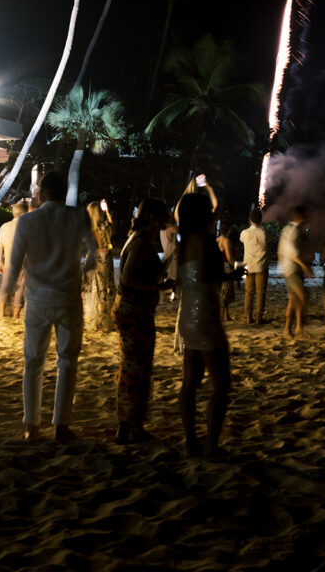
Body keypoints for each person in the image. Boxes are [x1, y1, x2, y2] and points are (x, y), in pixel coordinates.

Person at [3, 171, 96, 443]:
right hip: (68, 299)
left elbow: (15, 263)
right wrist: (81, 270)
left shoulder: (28, 221)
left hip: (38, 300)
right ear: (63, 191)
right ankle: (61, 425)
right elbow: (95, 251)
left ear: (42, 193)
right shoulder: (78, 216)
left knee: (33, 362)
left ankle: (32, 426)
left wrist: (8, 294)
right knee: (67, 363)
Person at [177, 192, 235, 458]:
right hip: (205, 314)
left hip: (188, 313)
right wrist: (230, 274)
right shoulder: (203, 239)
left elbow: (190, 275)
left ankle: (190, 440)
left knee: (190, 383)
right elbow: (204, 274)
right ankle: (211, 445)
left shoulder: (186, 239)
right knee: (222, 384)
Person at [111, 198, 171, 444]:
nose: (166, 221)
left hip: (135, 311)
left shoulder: (139, 239)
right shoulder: (140, 242)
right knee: (135, 370)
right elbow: (126, 280)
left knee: (136, 369)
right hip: (134, 311)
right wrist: (155, 286)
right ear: (153, 218)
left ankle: (131, 425)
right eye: (163, 216)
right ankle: (126, 427)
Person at [278, 206, 313, 339]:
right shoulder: (295, 231)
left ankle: (292, 328)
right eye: (306, 215)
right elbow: (292, 253)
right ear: (301, 217)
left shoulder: (287, 229)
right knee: (303, 296)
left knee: (294, 299)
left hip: (288, 267)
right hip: (291, 269)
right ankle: (299, 325)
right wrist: (305, 266)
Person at [84, 199, 116, 332]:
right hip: (105, 256)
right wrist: (107, 212)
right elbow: (112, 229)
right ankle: (106, 321)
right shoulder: (104, 226)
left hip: (94, 257)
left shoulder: (88, 229)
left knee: (97, 288)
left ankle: (99, 319)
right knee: (107, 287)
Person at [0, 201, 27, 318]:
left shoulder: (4, 227)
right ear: (24, 214)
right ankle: (16, 314)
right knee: (20, 288)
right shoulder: (27, 227)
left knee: (5, 286)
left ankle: (1, 312)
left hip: (8, 262)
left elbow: (0, 246)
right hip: (24, 263)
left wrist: (0, 262)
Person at [240, 206, 269, 324]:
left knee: (249, 292)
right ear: (261, 219)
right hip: (261, 266)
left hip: (247, 265)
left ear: (249, 219)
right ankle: (259, 317)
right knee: (261, 292)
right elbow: (269, 241)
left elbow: (242, 240)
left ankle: (248, 316)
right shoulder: (265, 233)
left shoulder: (244, 233)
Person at [216, 220, 235, 322]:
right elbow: (229, 257)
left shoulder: (217, 239)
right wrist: (235, 266)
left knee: (221, 291)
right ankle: (225, 315)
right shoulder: (226, 240)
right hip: (226, 266)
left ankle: (223, 314)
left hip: (218, 266)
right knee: (226, 291)